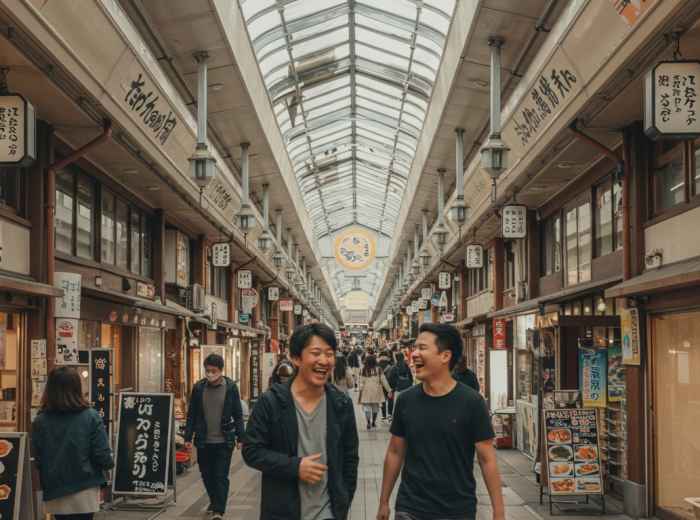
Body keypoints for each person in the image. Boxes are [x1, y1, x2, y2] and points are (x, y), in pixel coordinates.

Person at [377, 323, 505, 520]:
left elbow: (487, 459)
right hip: (410, 508)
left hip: (457, 510)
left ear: (445, 356)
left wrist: (498, 512)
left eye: (423, 348)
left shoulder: (472, 402)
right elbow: (395, 451)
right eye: (415, 348)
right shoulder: (406, 400)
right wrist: (384, 502)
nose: (414, 354)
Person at [243, 323, 359, 520]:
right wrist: (294, 467)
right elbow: (251, 451)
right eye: (316, 353)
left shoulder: (341, 404)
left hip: (328, 513)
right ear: (296, 358)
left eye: (329, 353)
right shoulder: (271, 402)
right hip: (283, 512)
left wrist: (343, 501)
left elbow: (350, 458)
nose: (324, 360)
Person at [32, 367, 114, 520]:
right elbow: (102, 454)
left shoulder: (40, 421)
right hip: (85, 488)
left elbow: (37, 457)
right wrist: (110, 465)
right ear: (77, 388)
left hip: (55, 489)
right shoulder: (90, 416)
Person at [185, 353, 245, 520]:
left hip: (224, 440)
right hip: (204, 441)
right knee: (206, 475)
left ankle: (219, 510)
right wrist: (187, 438)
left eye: (213, 370)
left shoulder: (231, 388)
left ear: (220, 370)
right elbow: (191, 415)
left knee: (220, 476)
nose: (210, 374)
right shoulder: (198, 388)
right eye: (207, 370)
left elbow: (238, 414)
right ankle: (214, 500)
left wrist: (241, 437)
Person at [358, 354, 385, 430]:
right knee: (375, 407)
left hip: (366, 390)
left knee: (367, 407)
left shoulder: (363, 369)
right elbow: (383, 380)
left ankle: (368, 422)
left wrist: (360, 389)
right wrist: (389, 390)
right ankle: (373, 422)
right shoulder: (379, 369)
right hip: (376, 390)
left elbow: (361, 381)